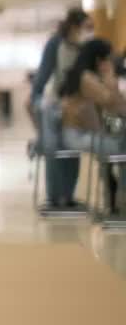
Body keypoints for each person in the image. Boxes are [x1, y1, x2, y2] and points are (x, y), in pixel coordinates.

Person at [56, 38, 126, 212]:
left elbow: (115, 106)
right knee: (120, 149)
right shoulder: (86, 78)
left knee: (115, 148)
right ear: (98, 59)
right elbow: (111, 102)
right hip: (77, 136)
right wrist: (110, 78)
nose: (110, 62)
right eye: (107, 58)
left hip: (77, 133)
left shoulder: (83, 75)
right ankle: (118, 200)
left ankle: (114, 198)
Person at [32, 8, 94, 208]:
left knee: (71, 150)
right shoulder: (55, 44)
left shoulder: (85, 47)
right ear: (74, 26)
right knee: (54, 149)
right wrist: (37, 102)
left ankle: (68, 196)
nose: (90, 31)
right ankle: (54, 197)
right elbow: (43, 76)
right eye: (87, 27)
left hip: (75, 106)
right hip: (53, 105)